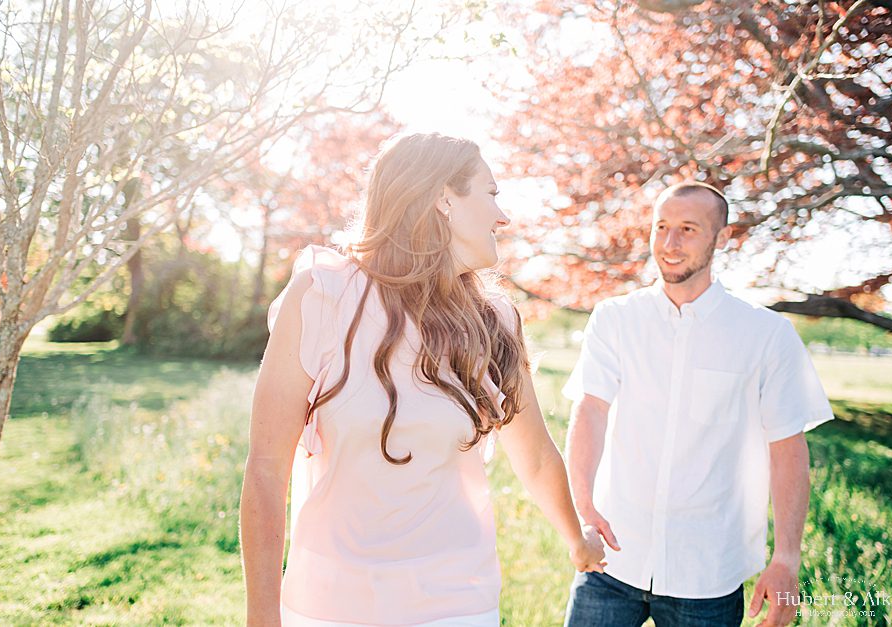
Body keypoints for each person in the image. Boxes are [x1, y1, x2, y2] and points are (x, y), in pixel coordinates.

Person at [240, 132, 606, 627]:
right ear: (443, 199)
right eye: (492, 194)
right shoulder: (323, 294)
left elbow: (536, 455)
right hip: (332, 604)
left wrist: (577, 541)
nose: (504, 217)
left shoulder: (494, 319)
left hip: (457, 603)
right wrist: (263, 617)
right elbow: (266, 469)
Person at [562, 182, 834, 627]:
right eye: (661, 227)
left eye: (687, 229)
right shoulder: (614, 319)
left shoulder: (766, 334)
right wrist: (584, 510)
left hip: (708, 572)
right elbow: (590, 410)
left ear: (720, 239)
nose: (669, 244)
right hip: (611, 560)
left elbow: (787, 447)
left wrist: (786, 556)